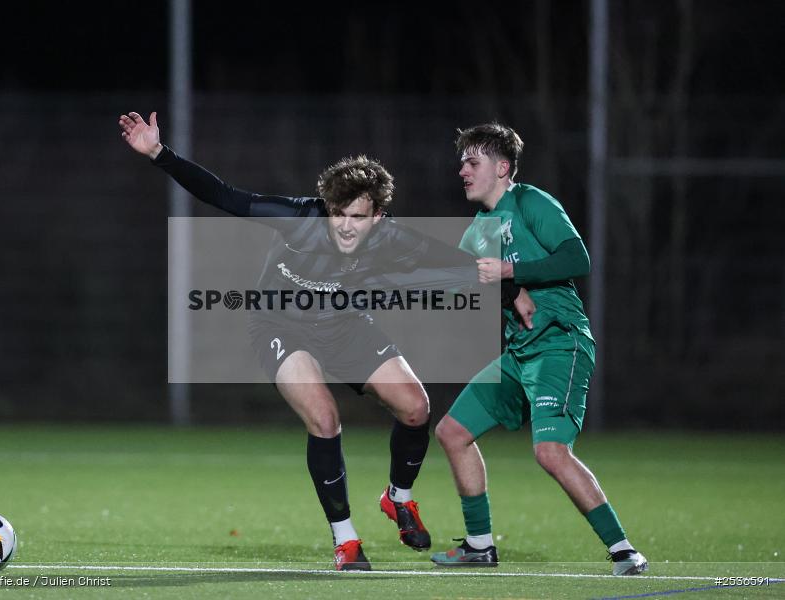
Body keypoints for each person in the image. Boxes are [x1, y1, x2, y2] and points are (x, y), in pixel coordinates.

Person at [119, 111, 535, 571]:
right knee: (324, 416)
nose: (345, 227)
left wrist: (513, 289)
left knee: (416, 407)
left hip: (343, 323)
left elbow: (455, 261)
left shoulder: (393, 238)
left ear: (379, 215)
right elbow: (226, 197)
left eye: (358, 217)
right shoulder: (302, 218)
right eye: (338, 214)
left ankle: (398, 498)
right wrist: (159, 153)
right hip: (280, 326)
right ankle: (346, 540)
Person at [431, 122, 648, 576]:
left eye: (473, 162)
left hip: (558, 343)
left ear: (503, 167)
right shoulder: (478, 229)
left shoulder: (531, 201)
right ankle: (479, 545)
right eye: (462, 163)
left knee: (550, 452)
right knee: (452, 432)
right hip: (519, 352)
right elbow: (469, 283)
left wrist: (512, 274)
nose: (463, 171)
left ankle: (624, 551)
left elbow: (577, 259)